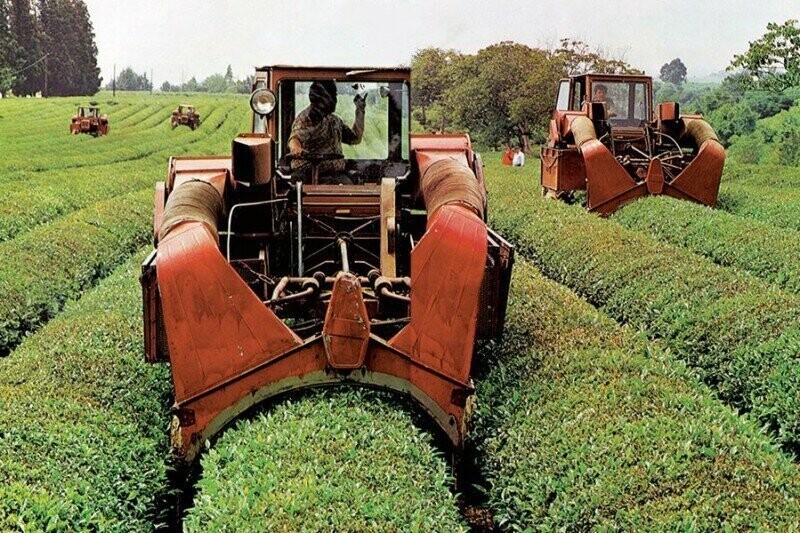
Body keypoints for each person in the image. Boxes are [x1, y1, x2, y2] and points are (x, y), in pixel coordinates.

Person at [288, 80, 365, 184]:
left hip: (335, 175)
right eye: (333, 95)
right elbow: (295, 138)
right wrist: (296, 148)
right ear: (322, 97)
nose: (335, 100)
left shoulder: (335, 121)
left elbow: (355, 138)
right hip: (308, 175)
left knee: (351, 187)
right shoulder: (306, 119)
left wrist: (360, 110)